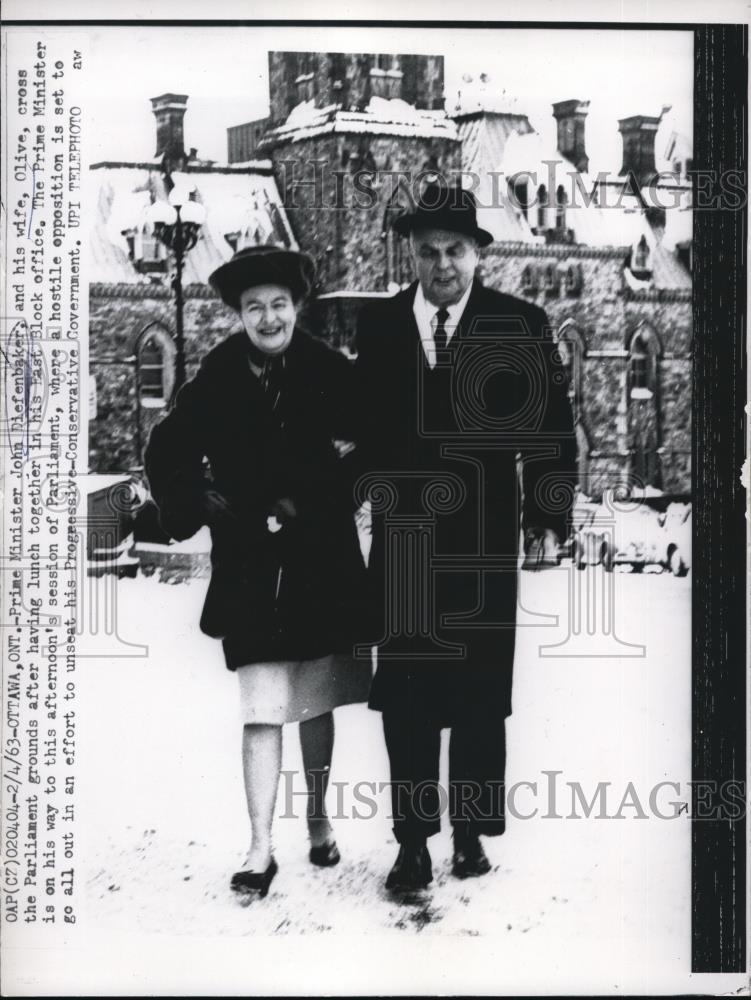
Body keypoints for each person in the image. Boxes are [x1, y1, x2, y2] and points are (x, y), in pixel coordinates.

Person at [354, 185, 576, 892]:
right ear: (410, 255)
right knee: (409, 696)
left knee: (480, 693)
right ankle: (413, 842)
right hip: (407, 539)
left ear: (478, 253)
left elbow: (551, 431)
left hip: (483, 535)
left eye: (454, 250)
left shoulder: (520, 323)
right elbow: (368, 431)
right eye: (427, 251)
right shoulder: (382, 325)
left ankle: (472, 833)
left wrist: (546, 515)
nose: (440, 264)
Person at [145, 245, 371, 900]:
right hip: (248, 563)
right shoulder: (214, 380)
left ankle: (320, 816)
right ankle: (259, 844)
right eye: (254, 308)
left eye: (278, 305)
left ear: (296, 308)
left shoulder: (331, 371)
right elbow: (169, 447)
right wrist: (196, 499)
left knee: (316, 696)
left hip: (320, 558)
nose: (267, 318)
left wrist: (325, 494)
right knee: (262, 702)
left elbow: (370, 445)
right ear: (239, 315)